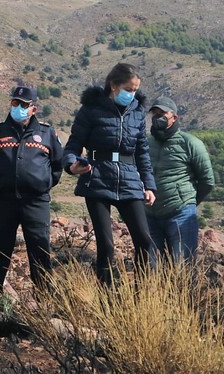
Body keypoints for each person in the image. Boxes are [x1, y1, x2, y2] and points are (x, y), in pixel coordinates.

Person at [64, 63, 156, 284]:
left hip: (129, 180)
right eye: (128, 89)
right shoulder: (91, 110)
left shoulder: (137, 113)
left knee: (144, 240)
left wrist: (149, 185)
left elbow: (142, 152)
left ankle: (142, 294)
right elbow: (73, 145)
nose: (132, 94)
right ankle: (107, 297)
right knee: (106, 245)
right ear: (114, 86)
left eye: (135, 90)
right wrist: (71, 165)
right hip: (96, 180)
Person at [0, 86, 64, 294]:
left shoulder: (46, 133)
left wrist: (42, 183)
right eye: (15, 103)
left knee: (39, 249)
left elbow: (57, 165)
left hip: (36, 201)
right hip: (3, 200)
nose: (18, 107)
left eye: (24, 105)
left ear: (33, 109)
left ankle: (45, 299)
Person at [144, 97, 215, 262]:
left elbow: (207, 180)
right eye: (155, 114)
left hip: (180, 213)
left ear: (173, 117)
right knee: (150, 267)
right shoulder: (146, 144)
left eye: (162, 113)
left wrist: (188, 200)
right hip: (149, 215)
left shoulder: (190, 143)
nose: (157, 117)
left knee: (182, 266)